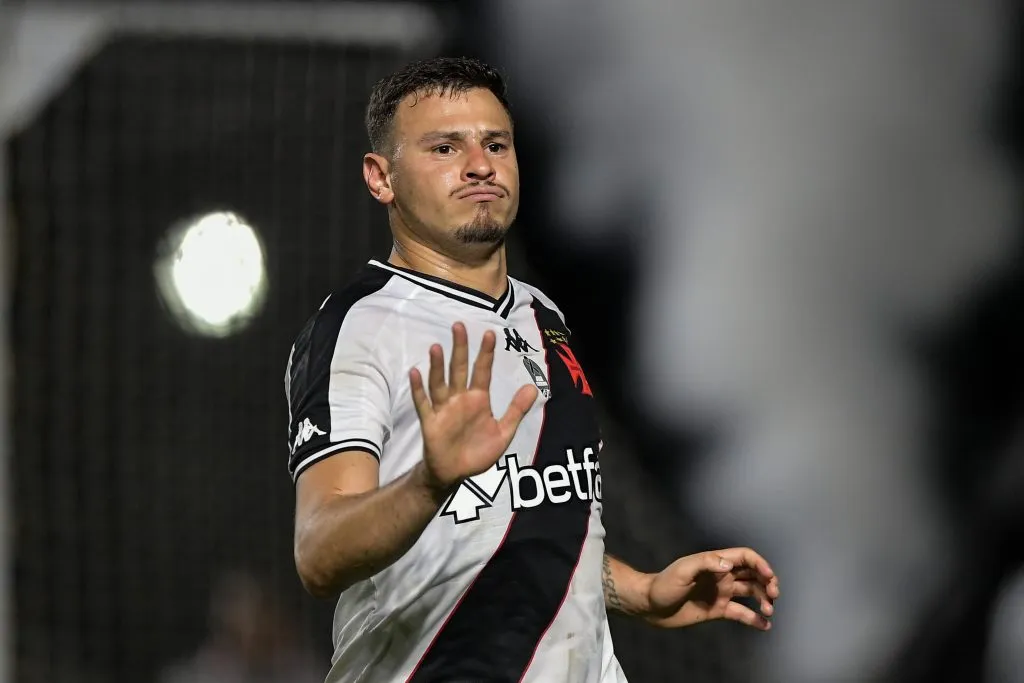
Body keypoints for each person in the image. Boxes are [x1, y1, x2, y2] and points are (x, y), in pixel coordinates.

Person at [284, 56, 780, 683]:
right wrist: (429, 484)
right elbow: (318, 554)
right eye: (444, 147)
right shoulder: (359, 327)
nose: (480, 165)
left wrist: (644, 592)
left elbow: (529, 524)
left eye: (496, 143)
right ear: (381, 177)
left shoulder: (544, 315)